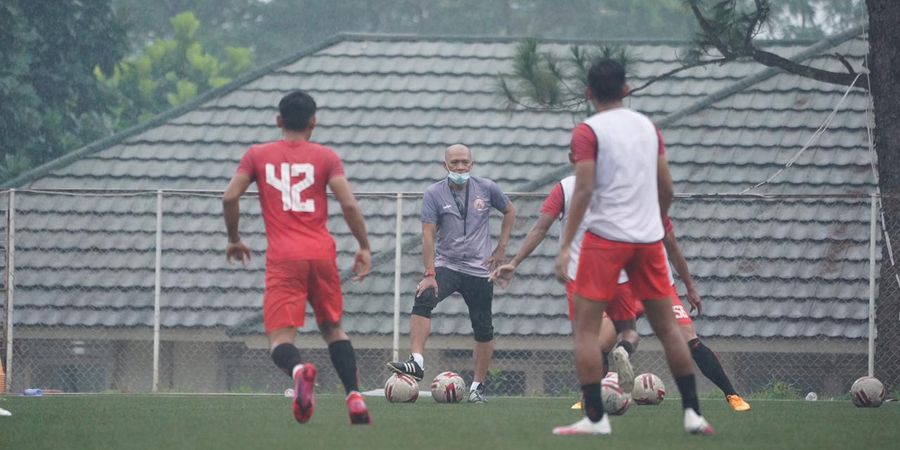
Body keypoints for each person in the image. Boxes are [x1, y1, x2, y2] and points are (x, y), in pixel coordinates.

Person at [552, 58, 713, 436]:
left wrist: (564, 249)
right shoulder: (648, 127)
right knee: (669, 329)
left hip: (605, 241)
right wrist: (652, 223)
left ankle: (595, 419)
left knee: (588, 333)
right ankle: (693, 413)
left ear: (589, 93)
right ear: (626, 90)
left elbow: (586, 187)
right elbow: (667, 189)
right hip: (648, 241)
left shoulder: (587, 131)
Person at [223, 90, 373, 425]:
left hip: (284, 256)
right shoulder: (326, 157)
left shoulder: (257, 155)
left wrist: (234, 238)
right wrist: (363, 245)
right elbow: (348, 204)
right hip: (321, 252)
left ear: (279, 121)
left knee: (279, 338)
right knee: (334, 328)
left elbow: (230, 196)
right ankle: (355, 399)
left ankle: (299, 371)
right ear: (313, 123)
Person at [386, 144, 516, 403]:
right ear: (445, 165)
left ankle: (477, 387)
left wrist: (501, 248)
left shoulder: (487, 188)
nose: (459, 167)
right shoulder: (434, 193)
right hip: (447, 265)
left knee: (483, 328)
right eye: (454, 162)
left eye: (464, 162)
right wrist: (429, 273)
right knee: (423, 297)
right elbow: (427, 234)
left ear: (472, 163)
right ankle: (417, 362)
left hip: (480, 270)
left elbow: (510, 211)